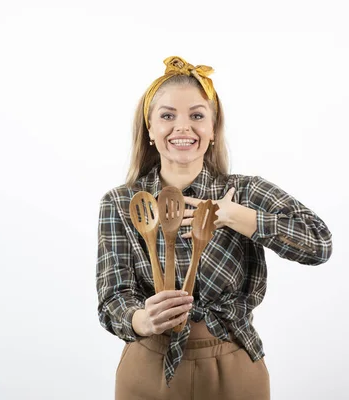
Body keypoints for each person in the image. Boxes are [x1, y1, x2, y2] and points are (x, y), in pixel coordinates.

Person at [96, 56, 333, 400]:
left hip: (234, 365)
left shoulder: (247, 191)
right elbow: (112, 297)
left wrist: (237, 216)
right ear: (149, 129)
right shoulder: (121, 202)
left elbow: (319, 243)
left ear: (212, 129)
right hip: (148, 367)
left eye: (196, 115)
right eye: (167, 116)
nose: (182, 127)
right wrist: (140, 320)